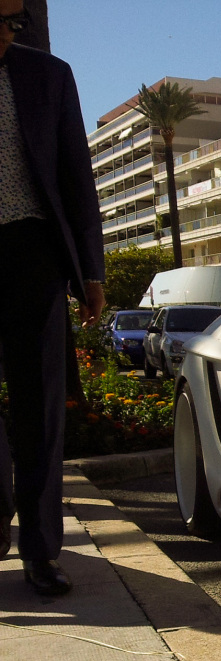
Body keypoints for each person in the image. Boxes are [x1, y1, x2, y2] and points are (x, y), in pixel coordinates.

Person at [0, 0, 104, 595]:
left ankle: (41, 550)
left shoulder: (49, 75)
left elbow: (75, 176)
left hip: (35, 254)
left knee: (40, 408)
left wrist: (90, 272)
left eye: (16, 22)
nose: (10, 31)